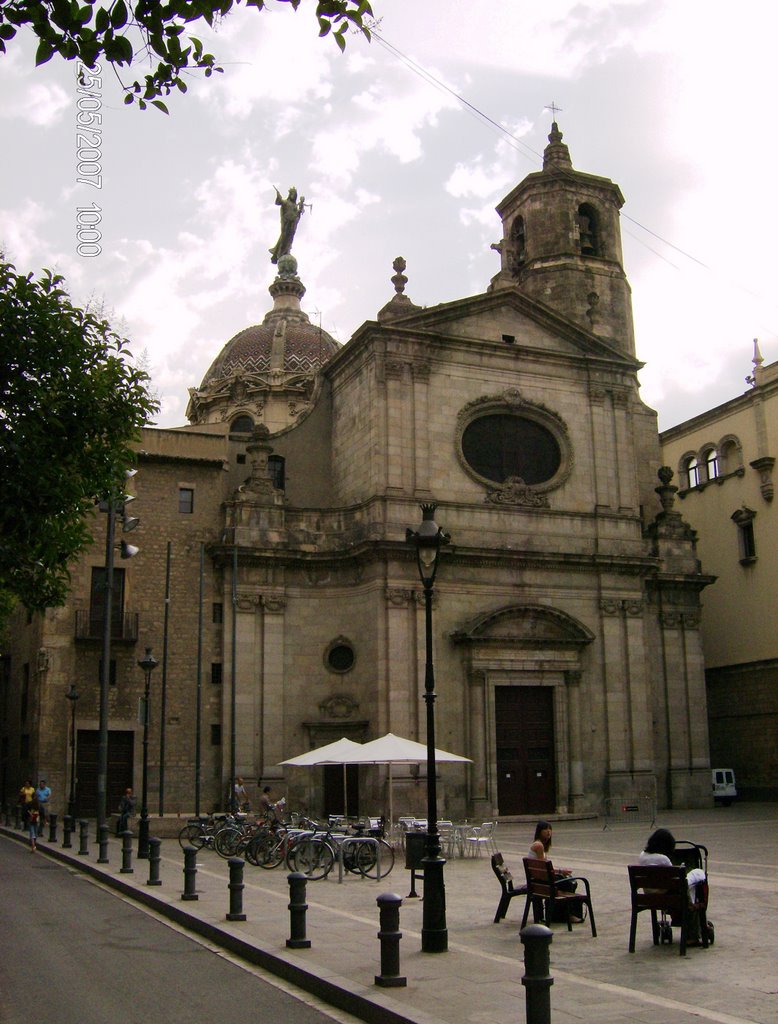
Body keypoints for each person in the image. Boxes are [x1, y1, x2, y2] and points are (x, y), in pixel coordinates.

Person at [638, 828, 708, 944]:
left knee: (687, 882)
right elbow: (676, 881)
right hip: (668, 896)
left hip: (648, 897)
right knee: (697, 876)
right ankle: (692, 932)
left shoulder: (642, 856)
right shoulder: (664, 859)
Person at [528, 820, 583, 923]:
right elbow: (544, 869)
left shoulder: (539, 845)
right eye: (545, 829)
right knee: (568, 883)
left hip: (538, 880)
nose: (548, 832)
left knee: (566, 880)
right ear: (539, 831)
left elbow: (544, 868)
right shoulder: (539, 846)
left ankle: (559, 914)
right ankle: (566, 915)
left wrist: (560, 871)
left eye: (550, 829)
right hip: (541, 882)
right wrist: (560, 872)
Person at [269, 186, 305, 264]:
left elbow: (297, 214)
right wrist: (278, 196)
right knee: (284, 237)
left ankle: (287, 250)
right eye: (292, 194)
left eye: (294, 195)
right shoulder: (286, 202)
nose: (293, 196)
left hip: (292, 223)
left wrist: (300, 208)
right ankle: (279, 252)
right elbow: (278, 202)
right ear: (290, 195)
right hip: (286, 222)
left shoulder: (295, 206)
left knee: (290, 238)